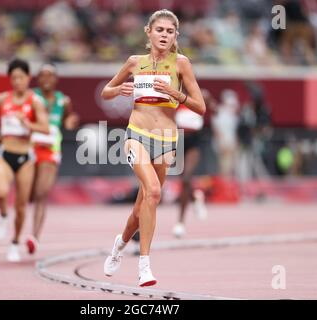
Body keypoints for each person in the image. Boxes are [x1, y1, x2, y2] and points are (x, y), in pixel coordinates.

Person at [101, 9, 206, 287]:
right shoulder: (135, 62)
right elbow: (106, 91)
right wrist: (120, 89)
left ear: (176, 36)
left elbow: (200, 107)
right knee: (155, 191)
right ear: (148, 32)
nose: (164, 35)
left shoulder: (181, 64)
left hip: (167, 140)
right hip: (137, 134)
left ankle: (119, 245)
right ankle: (144, 267)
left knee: (141, 208)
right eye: (159, 30)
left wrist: (176, 94)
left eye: (170, 32)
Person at [0, 58, 49, 262]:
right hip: (5, 153)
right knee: (1, 193)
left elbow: (45, 128)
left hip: (25, 157)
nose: (18, 81)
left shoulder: (34, 102)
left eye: (21, 77)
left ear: (28, 78)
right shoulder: (3, 99)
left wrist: (28, 123)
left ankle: (14, 242)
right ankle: (2, 215)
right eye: (14, 78)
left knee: (20, 207)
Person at [26, 63, 79, 254]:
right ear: (38, 79)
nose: (47, 79)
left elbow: (68, 118)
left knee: (42, 193)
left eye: (50, 75)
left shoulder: (63, 101)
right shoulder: (31, 97)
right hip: (30, 149)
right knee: (28, 193)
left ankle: (34, 237)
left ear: (56, 79)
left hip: (50, 150)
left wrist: (69, 121)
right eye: (43, 75)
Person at [172, 89, 217, 238]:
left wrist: (209, 104)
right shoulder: (173, 93)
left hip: (194, 142)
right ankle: (196, 197)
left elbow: (214, 109)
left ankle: (180, 223)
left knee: (186, 179)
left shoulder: (202, 94)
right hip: (177, 139)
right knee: (183, 179)